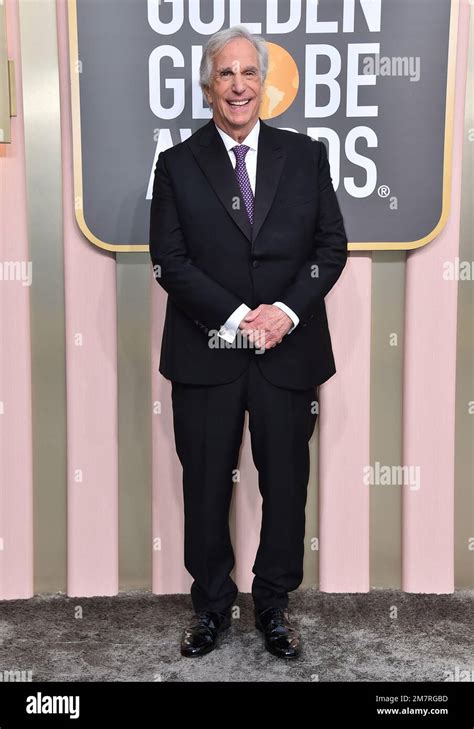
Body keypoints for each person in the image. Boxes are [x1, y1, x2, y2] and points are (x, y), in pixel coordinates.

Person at [149, 25, 348, 659]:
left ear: (266, 84)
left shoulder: (307, 155)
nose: (238, 85)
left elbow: (329, 249)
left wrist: (285, 313)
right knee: (206, 482)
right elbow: (170, 262)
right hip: (207, 349)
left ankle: (274, 606)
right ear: (209, 86)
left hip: (288, 352)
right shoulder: (177, 164)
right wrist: (241, 317)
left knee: (285, 483)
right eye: (226, 74)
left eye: (249, 73)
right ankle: (210, 606)